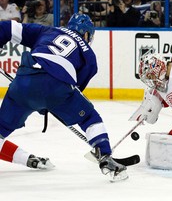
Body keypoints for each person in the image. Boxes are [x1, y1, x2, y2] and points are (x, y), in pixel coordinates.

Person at [0, 13, 127, 181]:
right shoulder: (89, 55)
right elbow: (75, 88)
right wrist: (52, 103)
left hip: (24, 81)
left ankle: (25, 159)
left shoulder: (47, 30)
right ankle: (105, 156)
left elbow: (7, 27)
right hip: (57, 87)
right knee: (89, 117)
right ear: (87, 34)